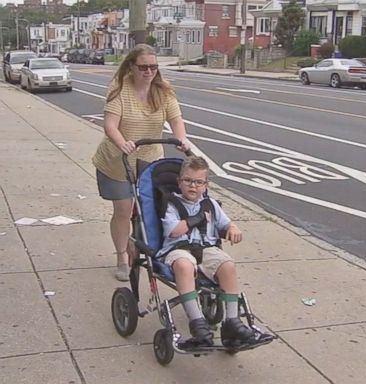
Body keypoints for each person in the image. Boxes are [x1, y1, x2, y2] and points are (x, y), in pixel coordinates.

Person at [93, 44, 190, 281]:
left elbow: (177, 121)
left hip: (150, 160)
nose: (149, 72)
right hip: (117, 161)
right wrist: (122, 142)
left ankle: (153, 250)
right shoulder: (119, 90)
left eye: (153, 67)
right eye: (144, 67)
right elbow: (110, 125)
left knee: (152, 210)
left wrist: (182, 139)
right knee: (124, 210)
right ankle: (121, 257)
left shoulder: (163, 92)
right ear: (132, 67)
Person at [157, 156, 273, 347]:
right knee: (184, 266)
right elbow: (174, 231)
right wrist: (198, 218)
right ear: (179, 182)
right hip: (179, 249)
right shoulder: (172, 204)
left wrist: (233, 229)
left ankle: (232, 322)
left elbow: (227, 224)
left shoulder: (211, 204)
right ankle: (198, 324)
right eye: (187, 181)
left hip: (207, 249)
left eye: (198, 182)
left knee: (227, 265)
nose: (192, 186)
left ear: (205, 185)